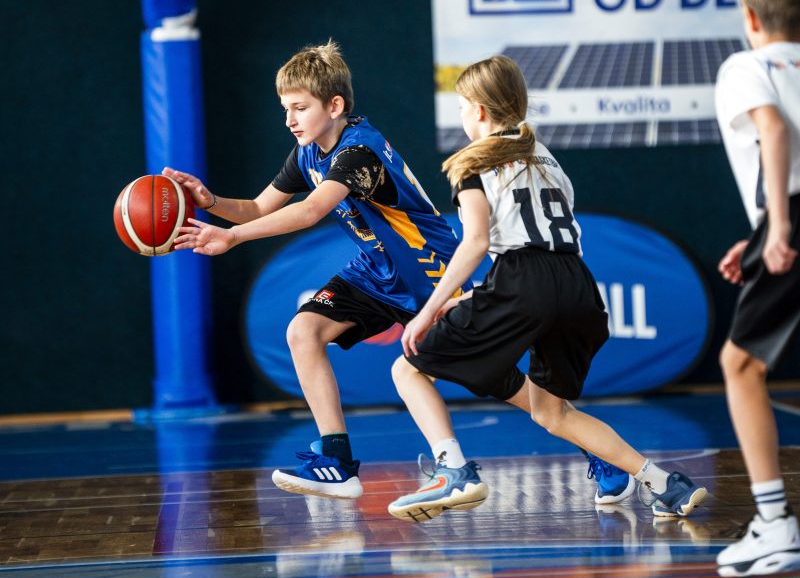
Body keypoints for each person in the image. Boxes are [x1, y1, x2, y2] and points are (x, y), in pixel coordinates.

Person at [386, 55, 708, 523]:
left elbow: (478, 243)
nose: (461, 117)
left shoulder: (470, 162)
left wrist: (429, 309)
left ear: (478, 110)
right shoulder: (547, 158)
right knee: (551, 413)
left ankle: (453, 470)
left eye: (461, 107)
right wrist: (476, 297)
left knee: (407, 369)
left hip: (525, 282)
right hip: (577, 285)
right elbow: (540, 248)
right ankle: (663, 483)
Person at [166, 41, 470, 500]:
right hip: (376, 271)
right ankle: (338, 462)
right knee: (302, 331)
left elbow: (310, 211)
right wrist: (211, 202)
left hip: (430, 271)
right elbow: (257, 207)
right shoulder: (307, 152)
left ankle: (584, 442)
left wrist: (232, 237)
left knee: (494, 376)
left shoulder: (359, 152)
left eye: (300, 108)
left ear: (335, 106)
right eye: (285, 109)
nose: (289, 120)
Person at [714, 0, 800, 577]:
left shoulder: (747, 65)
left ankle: (774, 524)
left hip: (790, 217)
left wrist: (780, 225)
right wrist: (758, 237)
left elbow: (774, 130)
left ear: (750, 16)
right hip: (780, 219)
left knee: (739, 364)